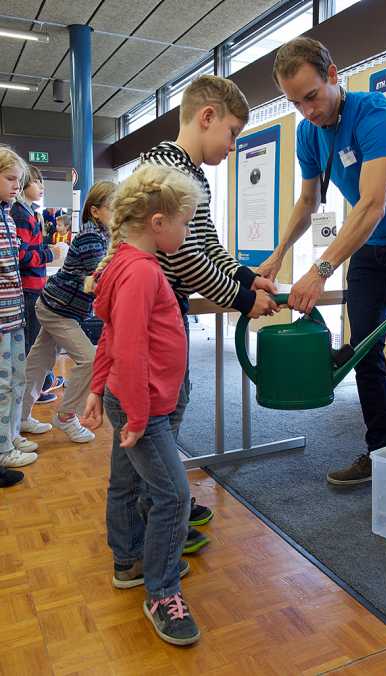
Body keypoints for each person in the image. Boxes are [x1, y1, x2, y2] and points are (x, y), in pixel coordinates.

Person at [258, 37, 386, 486]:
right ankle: (380, 451)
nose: (307, 110)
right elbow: (307, 200)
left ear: (333, 76)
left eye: (311, 96)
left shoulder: (377, 114)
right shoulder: (308, 132)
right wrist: (279, 254)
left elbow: (372, 204)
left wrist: (321, 270)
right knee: (363, 347)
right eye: (294, 102)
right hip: (369, 247)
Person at [140, 74, 279, 548]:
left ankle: (163, 501)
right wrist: (242, 299)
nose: (234, 145)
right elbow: (182, 257)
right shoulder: (167, 168)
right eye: (233, 133)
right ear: (207, 117)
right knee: (158, 410)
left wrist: (245, 276)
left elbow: (208, 248)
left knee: (173, 400)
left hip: (168, 305)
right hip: (151, 308)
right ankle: (160, 511)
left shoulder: (192, 175)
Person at [82, 164, 203, 646]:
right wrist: (134, 414)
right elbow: (127, 346)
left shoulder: (129, 264)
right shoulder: (139, 272)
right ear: (158, 222)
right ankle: (161, 591)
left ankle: (130, 560)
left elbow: (111, 337)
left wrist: (96, 389)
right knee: (173, 495)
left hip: (132, 400)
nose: (187, 230)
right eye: (185, 222)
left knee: (126, 482)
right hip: (143, 407)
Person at [20, 181, 116, 443]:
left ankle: (20, 417)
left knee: (38, 363)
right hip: (57, 309)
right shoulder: (90, 236)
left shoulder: (104, 235)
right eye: (113, 207)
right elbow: (101, 278)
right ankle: (66, 416)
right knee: (90, 359)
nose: (119, 213)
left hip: (57, 307)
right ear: (95, 211)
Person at [11, 164, 63, 418]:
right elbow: (20, 256)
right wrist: (48, 253)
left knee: (35, 341)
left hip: (34, 287)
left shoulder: (27, 213)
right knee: (33, 344)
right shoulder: (20, 214)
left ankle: (39, 388)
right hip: (28, 289)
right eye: (37, 182)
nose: (42, 187)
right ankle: (36, 392)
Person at [0, 145, 37, 470]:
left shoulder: (9, 218)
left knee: (17, 379)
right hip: (2, 317)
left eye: (19, 180)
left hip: (15, 314)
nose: (16, 185)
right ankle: (2, 448)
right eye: (10, 178)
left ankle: (11, 435)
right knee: (2, 384)